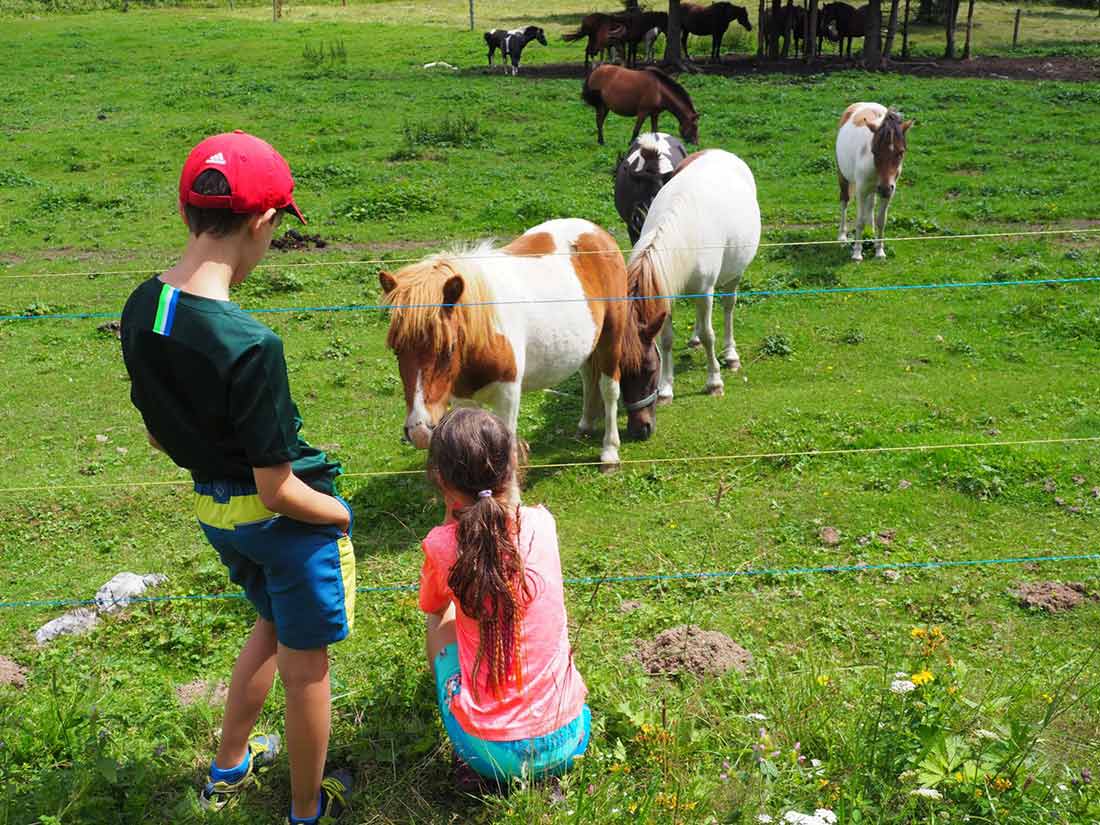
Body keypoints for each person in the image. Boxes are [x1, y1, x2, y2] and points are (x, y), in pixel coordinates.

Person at [119, 131, 354, 824]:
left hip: (214, 512)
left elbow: (158, 431)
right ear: (262, 222)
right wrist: (338, 515)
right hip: (280, 521)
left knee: (272, 620)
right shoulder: (251, 345)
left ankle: (228, 763)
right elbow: (281, 488)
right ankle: (307, 809)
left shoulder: (143, 307)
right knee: (307, 661)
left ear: (187, 213)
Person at [419, 408, 590, 784]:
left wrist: (453, 518)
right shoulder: (543, 523)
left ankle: (473, 756)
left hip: (490, 755)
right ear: (512, 465)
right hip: (572, 736)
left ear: (441, 481)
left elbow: (433, 606)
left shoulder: (442, 544)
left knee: (441, 619)